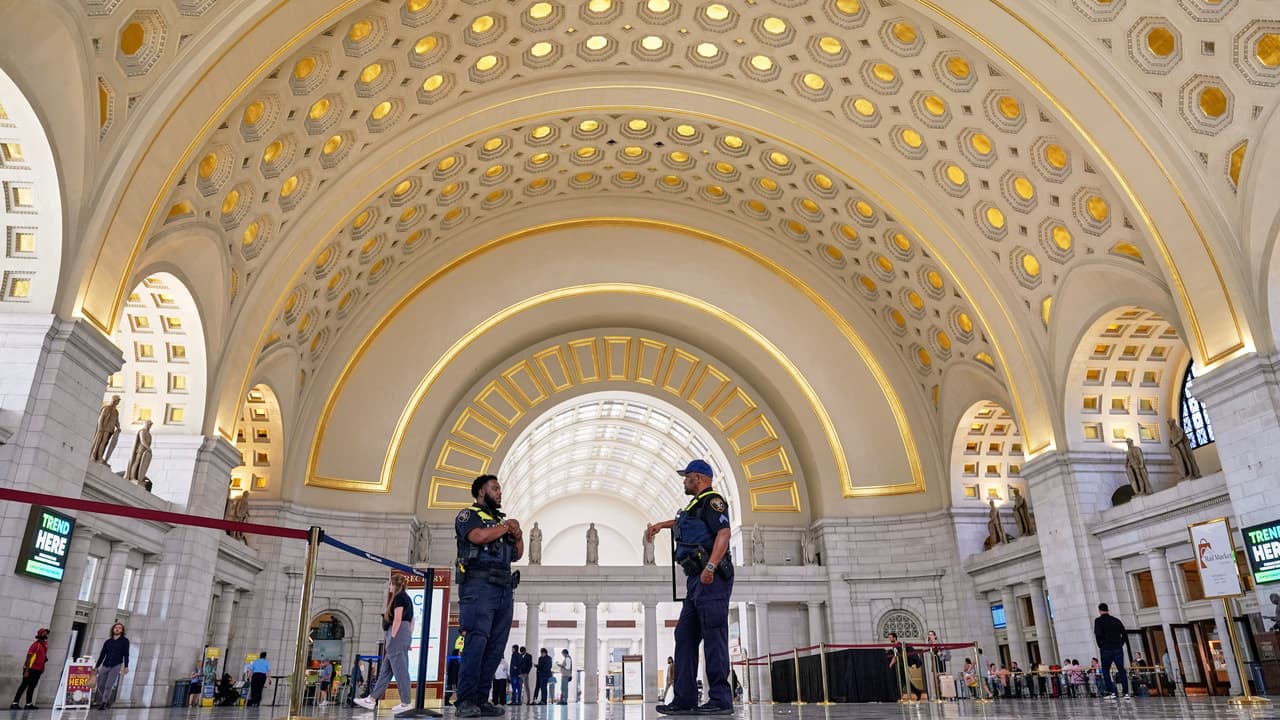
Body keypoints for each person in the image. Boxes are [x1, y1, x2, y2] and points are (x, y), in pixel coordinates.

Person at [645, 459, 735, 715]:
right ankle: (684, 699)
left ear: (698, 477)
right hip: (695, 581)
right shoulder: (694, 506)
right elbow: (686, 523)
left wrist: (711, 567)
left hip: (711, 577)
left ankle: (720, 699)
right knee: (684, 635)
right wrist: (662, 525)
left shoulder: (712, 500)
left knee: (714, 635)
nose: (684, 481)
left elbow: (724, 533)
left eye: (686, 477)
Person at [454, 474, 524, 718]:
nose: (499, 492)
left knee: (495, 647)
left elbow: (517, 555)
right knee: (477, 642)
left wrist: (518, 535)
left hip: (504, 589)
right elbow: (478, 537)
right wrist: (507, 527)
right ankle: (465, 700)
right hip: (478, 587)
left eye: (500, 489)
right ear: (481, 492)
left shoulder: (498, 521)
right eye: (495, 488)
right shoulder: (468, 515)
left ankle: (481, 700)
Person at [355, 574, 416, 714]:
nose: (389, 586)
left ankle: (406, 702)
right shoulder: (407, 598)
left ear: (395, 585)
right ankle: (371, 699)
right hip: (403, 634)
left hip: (397, 635)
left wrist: (393, 638)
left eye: (390, 584)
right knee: (386, 670)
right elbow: (413, 620)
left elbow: (398, 619)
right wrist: (407, 638)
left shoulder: (400, 598)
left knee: (400, 670)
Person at [1094, 603, 1131, 699]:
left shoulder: (1098, 621)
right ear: (1108, 609)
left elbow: (1098, 635)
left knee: (1106, 671)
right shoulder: (1116, 620)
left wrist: (1101, 646)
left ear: (1099, 610)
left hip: (1106, 649)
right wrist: (1120, 644)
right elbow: (1124, 634)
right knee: (1121, 670)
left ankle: (1112, 692)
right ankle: (1126, 693)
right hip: (1117, 648)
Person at [93, 623, 130, 710]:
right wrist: (97, 666)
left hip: (116, 665)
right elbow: (102, 654)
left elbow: (126, 654)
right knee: (100, 684)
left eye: (119, 628)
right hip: (105, 664)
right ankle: (106, 699)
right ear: (113, 629)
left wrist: (126, 666)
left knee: (108, 685)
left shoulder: (125, 641)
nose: (117, 629)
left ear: (122, 630)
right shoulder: (108, 642)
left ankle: (103, 703)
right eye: (116, 628)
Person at [10, 628, 49, 710]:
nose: (46, 635)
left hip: (38, 669)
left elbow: (42, 658)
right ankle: (15, 703)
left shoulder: (44, 645)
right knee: (24, 685)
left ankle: (28, 704)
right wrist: (27, 670)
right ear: (40, 635)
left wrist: (42, 668)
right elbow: (29, 657)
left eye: (46, 633)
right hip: (30, 669)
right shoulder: (36, 645)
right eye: (44, 633)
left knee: (32, 686)